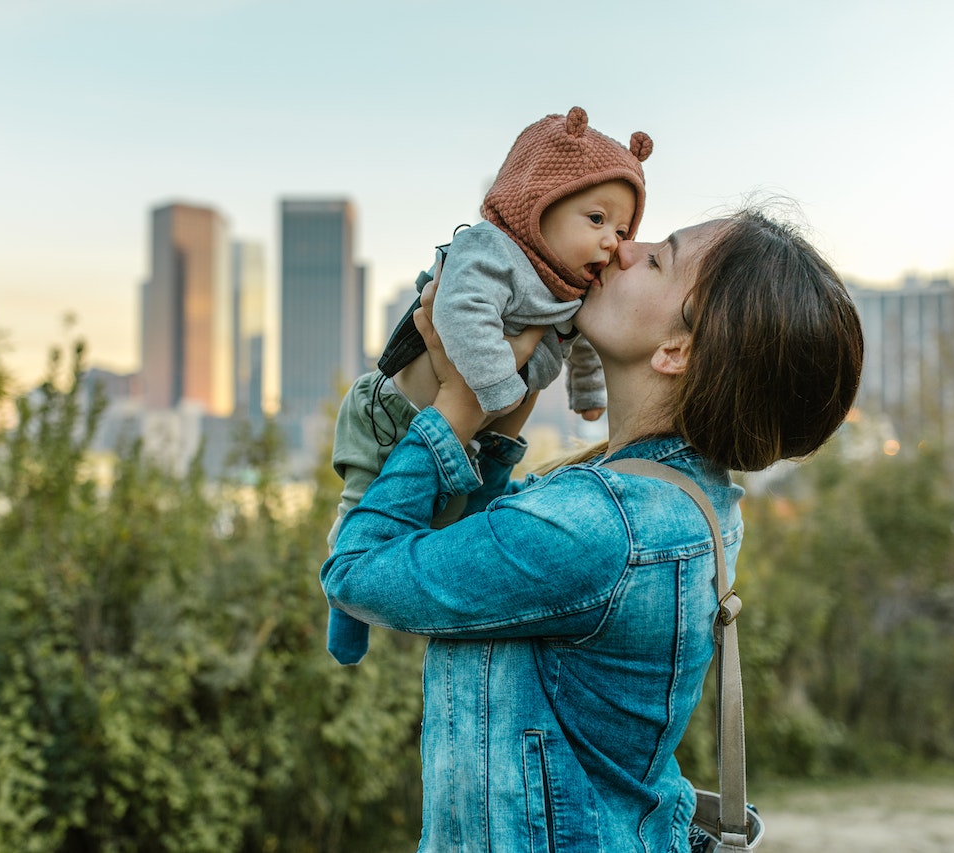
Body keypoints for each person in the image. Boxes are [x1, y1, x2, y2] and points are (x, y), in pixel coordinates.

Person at [321, 207, 864, 852]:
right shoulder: (680, 500)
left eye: (659, 260)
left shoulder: (601, 526)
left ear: (675, 350)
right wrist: (499, 406)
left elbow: (355, 572)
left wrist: (455, 409)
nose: (628, 249)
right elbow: (474, 548)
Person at [325, 106, 653, 664]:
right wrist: (503, 389)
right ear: (537, 204)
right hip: (395, 415)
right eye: (595, 219)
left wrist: (588, 396)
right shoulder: (490, 249)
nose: (610, 243)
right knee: (363, 509)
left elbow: (583, 350)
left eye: (621, 230)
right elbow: (461, 314)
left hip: (473, 432)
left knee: (457, 524)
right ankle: (346, 613)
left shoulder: (570, 293)